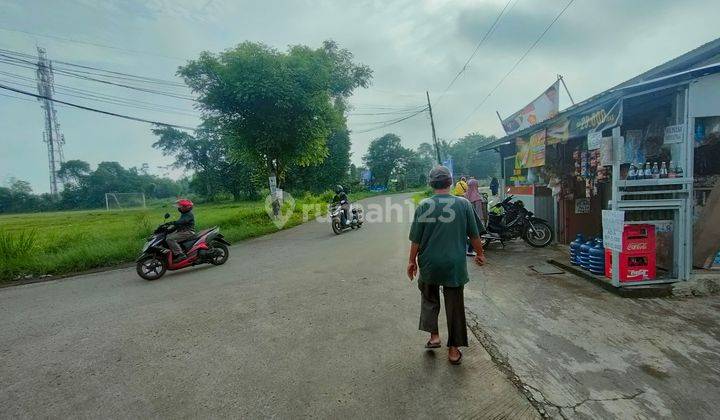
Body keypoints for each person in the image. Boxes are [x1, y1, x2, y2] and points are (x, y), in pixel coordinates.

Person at [407, 166, 486, 365]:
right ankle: (453, 350)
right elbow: (474, 234)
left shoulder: (425, 205)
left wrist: (411, 261)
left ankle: (434, 337)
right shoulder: (463, 204)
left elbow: (416, 239)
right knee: (455, 305)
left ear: (431, 184)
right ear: (451, 182)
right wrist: (480, 253)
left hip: (429, 264)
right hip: (454, 265)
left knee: (429, 298)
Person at [464, 178, 487, 256]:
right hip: (474, 220)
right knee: (476, 234)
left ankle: (469, 249)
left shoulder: (465, 196)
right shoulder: (477, 198)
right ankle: (473, 250)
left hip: (465, 219)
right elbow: (479, 213)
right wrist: (481, 221)